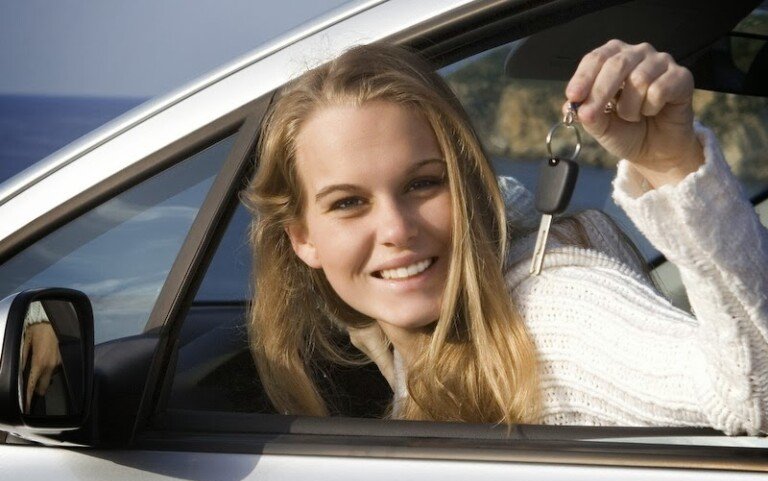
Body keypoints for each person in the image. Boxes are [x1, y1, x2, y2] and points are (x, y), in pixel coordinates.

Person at [244, 40, 768, 434]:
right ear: (302, 238)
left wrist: (673, 164)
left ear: (470, 186)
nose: (397, 229)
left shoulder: (551, 314)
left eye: (423, 184)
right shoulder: (393, 329)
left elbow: (753, 394)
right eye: (348, 203)